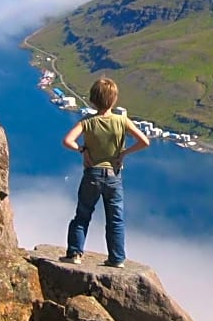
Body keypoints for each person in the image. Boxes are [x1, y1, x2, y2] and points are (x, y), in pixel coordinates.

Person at [61, 77, 150, 267]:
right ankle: (117, 258)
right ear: (114, 99)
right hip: (114, 177)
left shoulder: (88, 121)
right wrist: (124, 153)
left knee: (82, 215)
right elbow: (145, 141)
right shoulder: (122, 121)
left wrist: (82, 150)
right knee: (115, 219)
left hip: (92, 174)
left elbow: (67, 140)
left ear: (93, 99)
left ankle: (75, 254)